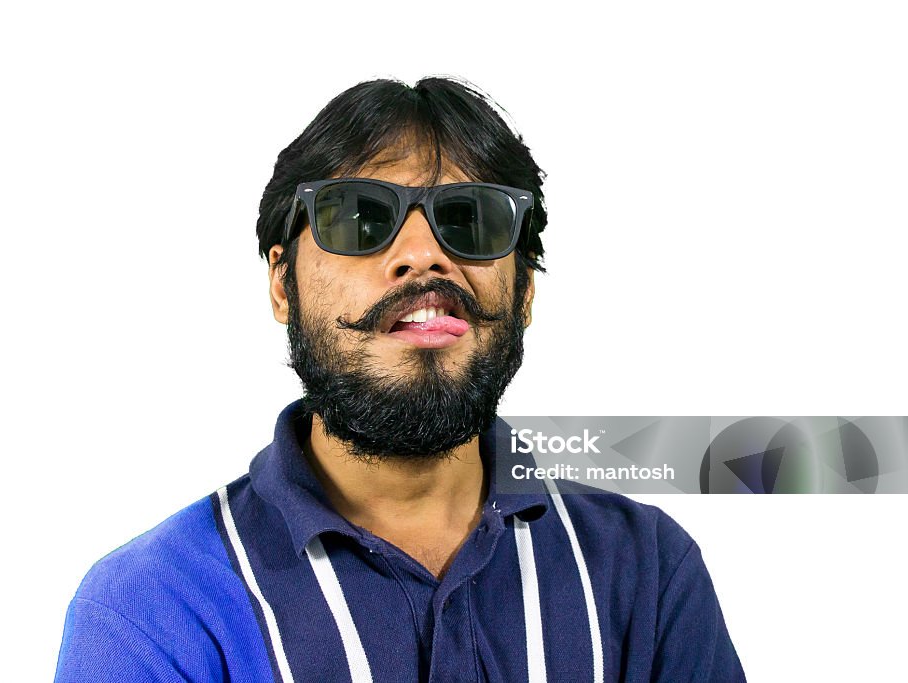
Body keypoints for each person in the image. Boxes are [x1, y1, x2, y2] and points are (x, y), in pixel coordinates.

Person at [54, 77, 745, 682]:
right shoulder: (154, 610)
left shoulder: (646, 575)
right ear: (281, 283)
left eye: (469, 219)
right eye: (359, 218)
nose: (423, 255)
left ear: (525, 289)